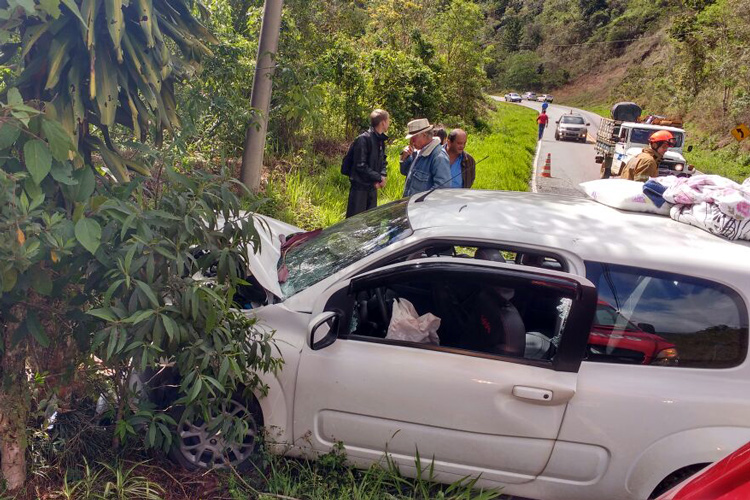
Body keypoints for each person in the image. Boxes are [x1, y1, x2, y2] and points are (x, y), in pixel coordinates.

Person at [345, 109, 390, 218]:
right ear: (383, 122)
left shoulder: (380, 140)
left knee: (370, 224)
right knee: (355, 223)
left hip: (372, 188)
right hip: (359, 190)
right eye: (388, 120)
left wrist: (382, 176)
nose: (389, 123)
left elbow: (382, 160)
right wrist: (378, 177)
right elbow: (360, 165)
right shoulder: (363, 139)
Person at [400, 118, 450, 197]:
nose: (411, 141)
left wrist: (421, 202)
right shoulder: (416, 152)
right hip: (410, 205)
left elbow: (442, 189)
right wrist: (404, 157)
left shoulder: (439, 156)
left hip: (422, 207)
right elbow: (404, 172)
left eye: (414, 137)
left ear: (424, 135)